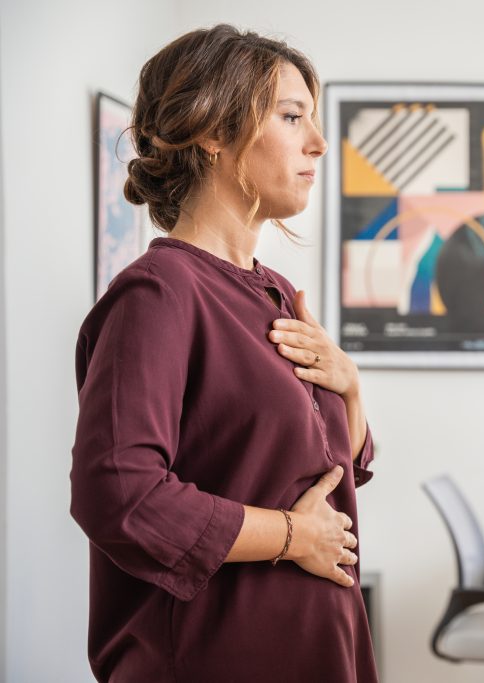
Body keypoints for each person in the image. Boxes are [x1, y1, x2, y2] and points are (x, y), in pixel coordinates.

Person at [70, 25, 378, 682]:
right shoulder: (159, 294)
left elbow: (326, 471)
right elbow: (119, 493)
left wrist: (349, 387)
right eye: (293, 117)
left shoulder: (273, 292)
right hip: (213, 658)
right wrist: (294, 537)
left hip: (315, 649)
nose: (319, 143)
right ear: (213, 131)